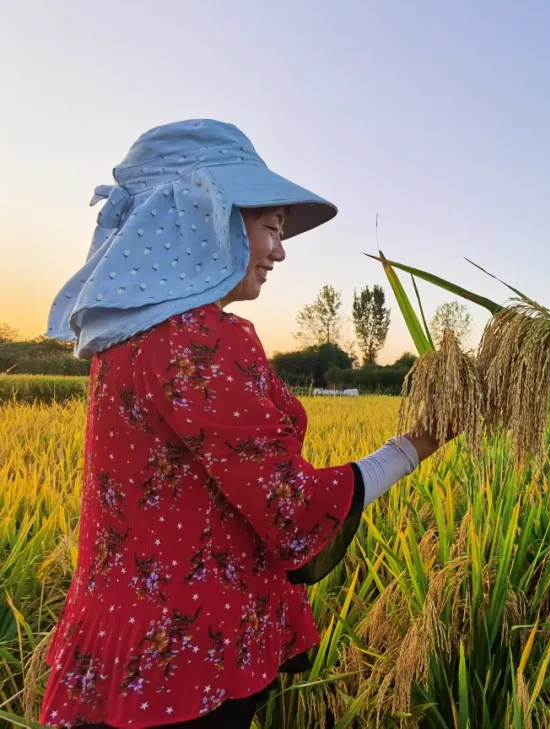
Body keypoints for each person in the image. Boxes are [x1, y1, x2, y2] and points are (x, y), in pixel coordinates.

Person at [39, 119, 455, 728]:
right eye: (271, 228)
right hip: (187, 666)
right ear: (204, 220)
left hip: (123, 647)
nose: (280, 251)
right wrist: (420, 443)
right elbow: (294, 513)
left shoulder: (122, 342)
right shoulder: (202, 339)